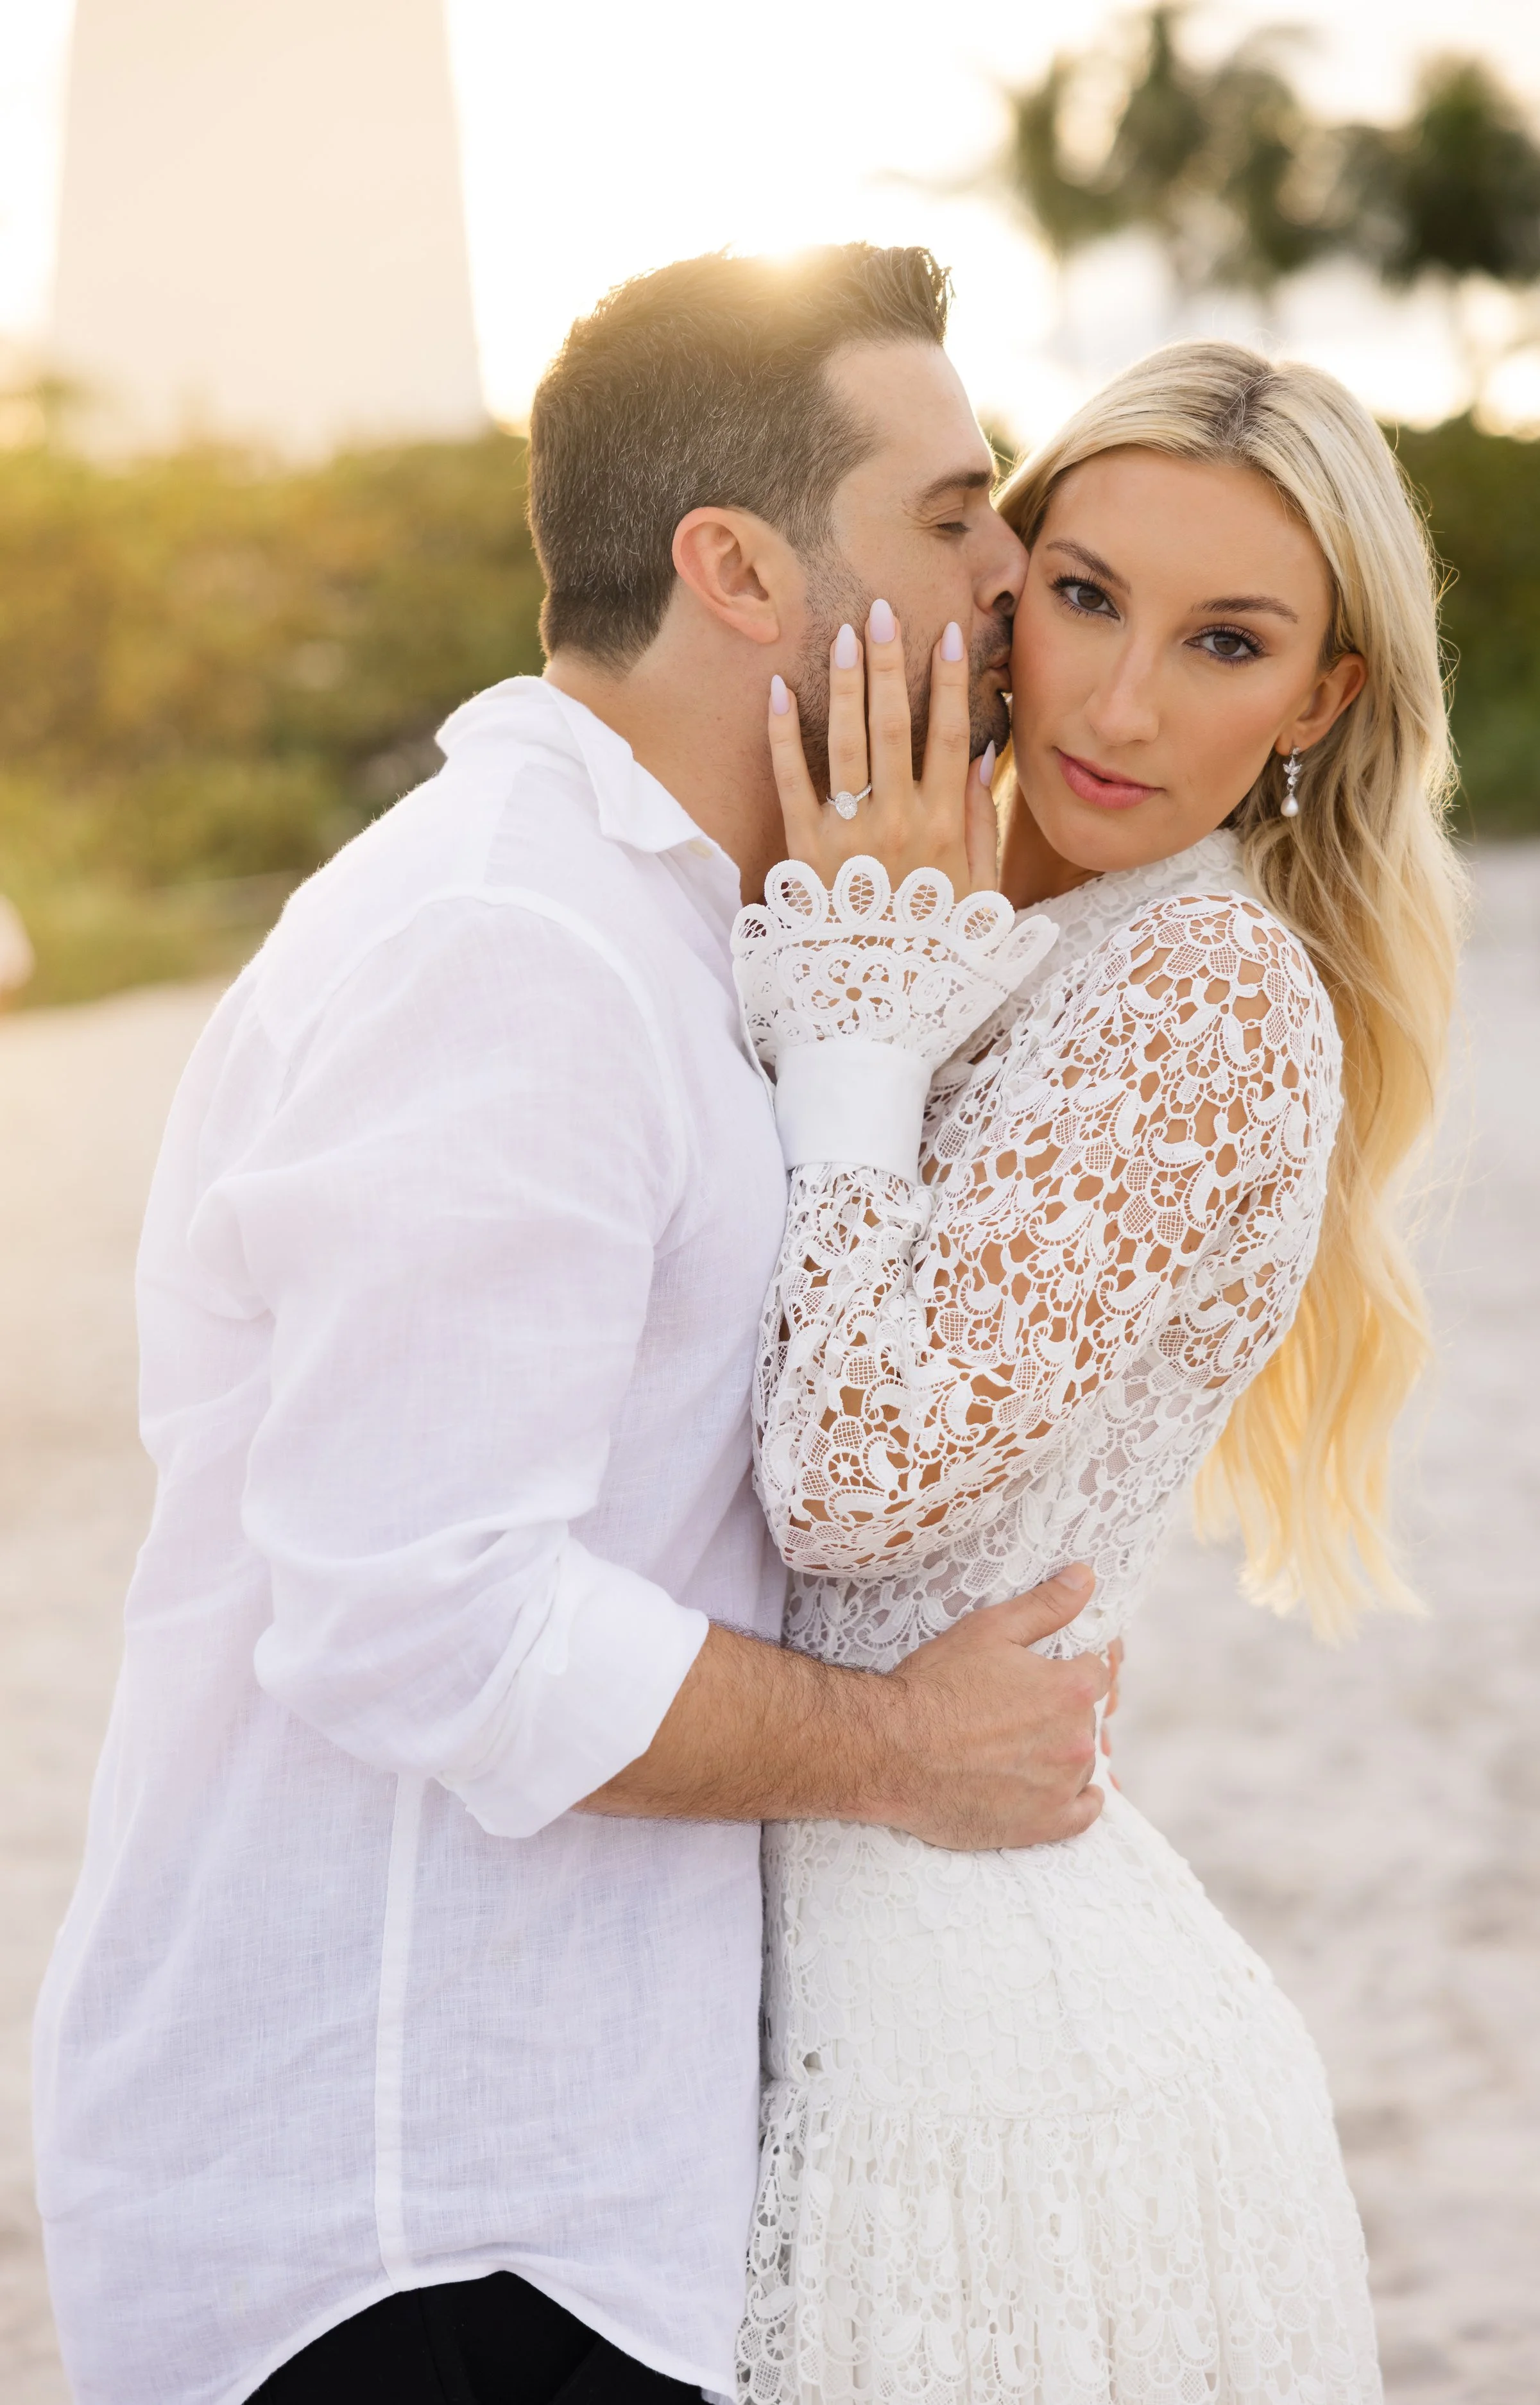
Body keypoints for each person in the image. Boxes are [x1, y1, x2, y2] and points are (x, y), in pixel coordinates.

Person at [31, 246, 1110, 2405]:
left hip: (552, 2202)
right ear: (733, 567)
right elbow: (424, 1609)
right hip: (410, 2217)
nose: (1014, 567)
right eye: (950, 513)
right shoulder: (506, 946)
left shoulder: (687, 931)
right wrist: (901, 1753)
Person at [732, 341, 1464, 2402]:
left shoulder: (1209, 991)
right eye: (1084, 597)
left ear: (1319, 698)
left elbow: (848, 1480)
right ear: (1004, 584)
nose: (1124, 705)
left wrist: (864, 1007)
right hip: (761, 1994)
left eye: (1226, 642)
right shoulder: (914, 871)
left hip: (978, 2079)